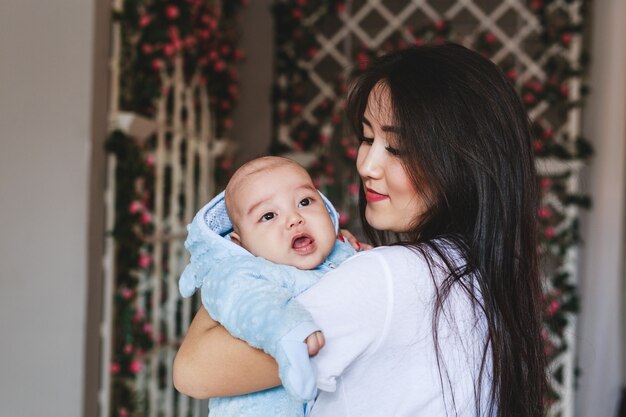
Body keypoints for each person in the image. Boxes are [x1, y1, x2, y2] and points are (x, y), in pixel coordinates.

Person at [174, 43, 547, 417]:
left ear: (465, 162)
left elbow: (193, 372)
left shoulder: (390, 277)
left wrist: (233, 261)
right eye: (368, 138)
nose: (368, 164)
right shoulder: (479, 279)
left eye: (397, 148)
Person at [178, 156, 357, 417]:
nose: (294, 218)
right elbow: (253, 304)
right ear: (240, 244)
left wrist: (354, 254)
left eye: (304, 202)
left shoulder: (347, 257)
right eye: (269, 215)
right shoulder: (241, 271)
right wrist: (290, 329)